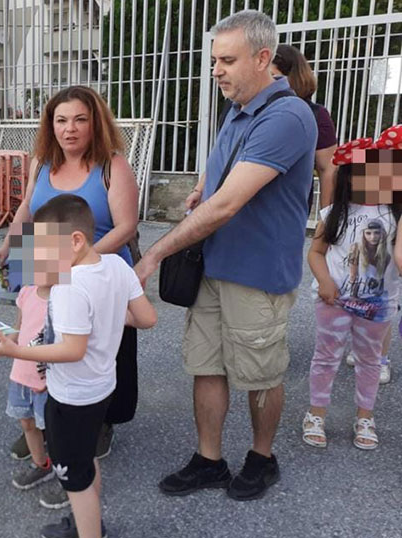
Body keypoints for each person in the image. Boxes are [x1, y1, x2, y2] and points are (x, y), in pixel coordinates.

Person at [134, 10, 317, 501]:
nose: (216, 69)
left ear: (263, 58)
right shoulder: (238, 107)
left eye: (227, 60)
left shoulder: (288, 116)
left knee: (261, 373)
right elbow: (226, 176)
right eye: (215, 59)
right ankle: (209, 459)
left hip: (256, 275)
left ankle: (262, 458)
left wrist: (154, 255)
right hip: (213, 267)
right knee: (206, 366)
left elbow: (231, 203)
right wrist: (201, 185)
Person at [0, 85, 140, 510]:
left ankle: (91, 428)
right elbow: (27, 211)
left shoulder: (112, 166)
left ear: (95, 122)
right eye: (60, 120)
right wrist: (9, 245)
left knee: (90, 355)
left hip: (93, 274)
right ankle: (44, 424)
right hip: (45, 271)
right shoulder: (44, 162)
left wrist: (74, 265)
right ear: (49, 125)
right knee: (40, 346)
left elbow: (125, 228)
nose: (69, 129)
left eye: (79, 119)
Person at [0, 194, 156, 538]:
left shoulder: (68, 287)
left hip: (71, 397)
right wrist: (106, 312)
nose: (39, 261)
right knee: (85, 459)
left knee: (74, 478)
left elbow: (72, 350)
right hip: (102, 387)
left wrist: (13, 350)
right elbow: (146, 318)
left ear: (75, 241)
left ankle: (88, 531)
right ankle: (86, 523)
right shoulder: (116, 266)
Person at [302, 136, 402, 450]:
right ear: (351, 175)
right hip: (334, 301)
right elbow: (315, 253)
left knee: (371, 361)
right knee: (326, 357)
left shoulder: (397, 215)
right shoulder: (334, 213)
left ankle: (365, 417)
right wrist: (325, 281)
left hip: (378, 304)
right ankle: (316, 414)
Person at [269, 44, 338, 209]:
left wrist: (325, 223)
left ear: (292, 78)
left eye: (272, 76)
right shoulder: (246, 110)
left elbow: (328, 169)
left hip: (287, 212)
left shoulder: (315, 114)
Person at [4, 281, 55, 492]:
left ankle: (66, 470)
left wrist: (50, 377)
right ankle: (41, 464)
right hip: (21, 373)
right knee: (26, 422)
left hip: (48, 379)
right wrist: (1, 345)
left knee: (54, 430)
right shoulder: (26, 292)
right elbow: (18, 327)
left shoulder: (63, 299)